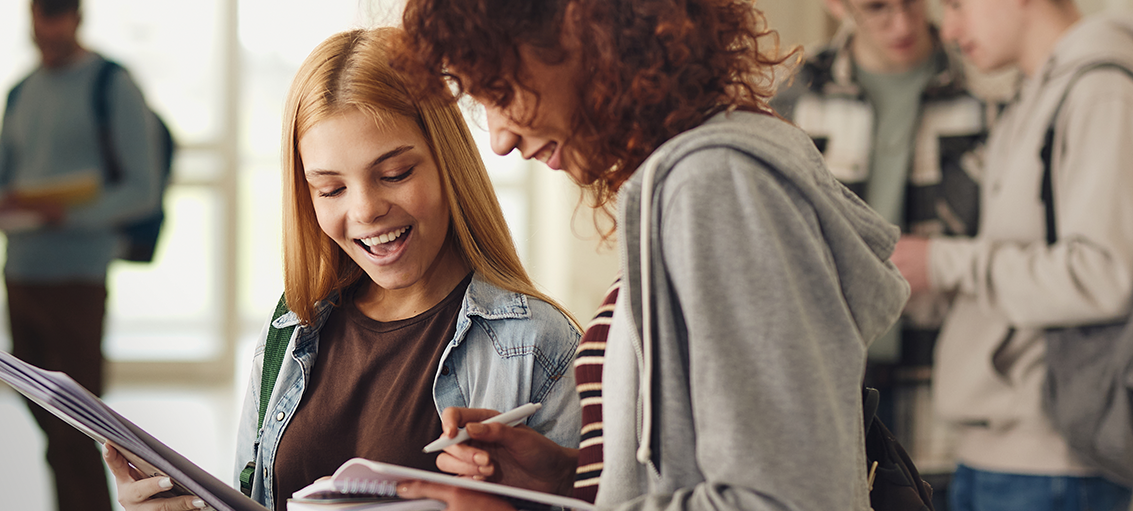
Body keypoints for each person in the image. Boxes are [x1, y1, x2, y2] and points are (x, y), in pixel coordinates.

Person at [392, 0, 911, 508]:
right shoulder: (692, 177)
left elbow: (784, 498)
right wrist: (570, 477)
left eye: (499, 91)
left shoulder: (714, 186)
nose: (500, 138)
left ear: (584, 28)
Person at [107, 27, 582, 511]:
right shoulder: (291, 331)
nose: (366, 211)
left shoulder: (540, 347)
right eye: (331, 189)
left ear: (448, 163)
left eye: (394, 174)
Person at [900, 1, 1133, 508]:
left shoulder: (1101, 89)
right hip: (998, 454)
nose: (951, 28)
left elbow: (1105, 274)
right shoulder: (1034, 94)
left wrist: (941, 262)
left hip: (1053, 466)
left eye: (958, 4)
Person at [770, 0, 989, 435]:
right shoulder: (791, 94)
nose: (904, 24)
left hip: (952, 382)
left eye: (912, 3)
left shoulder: (986, 89)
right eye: (877, 8)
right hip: (829, 381)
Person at [0, 0, 165, 509]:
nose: (47, 32)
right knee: (55, 429)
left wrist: (69, 215)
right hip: (20, 273)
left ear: (77, 19)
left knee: (78, 430)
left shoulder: (112, 84)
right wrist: (7, 201)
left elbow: (141, 188)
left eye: (57, 19)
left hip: (78, 279)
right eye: (40, 21)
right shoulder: (19, 92)